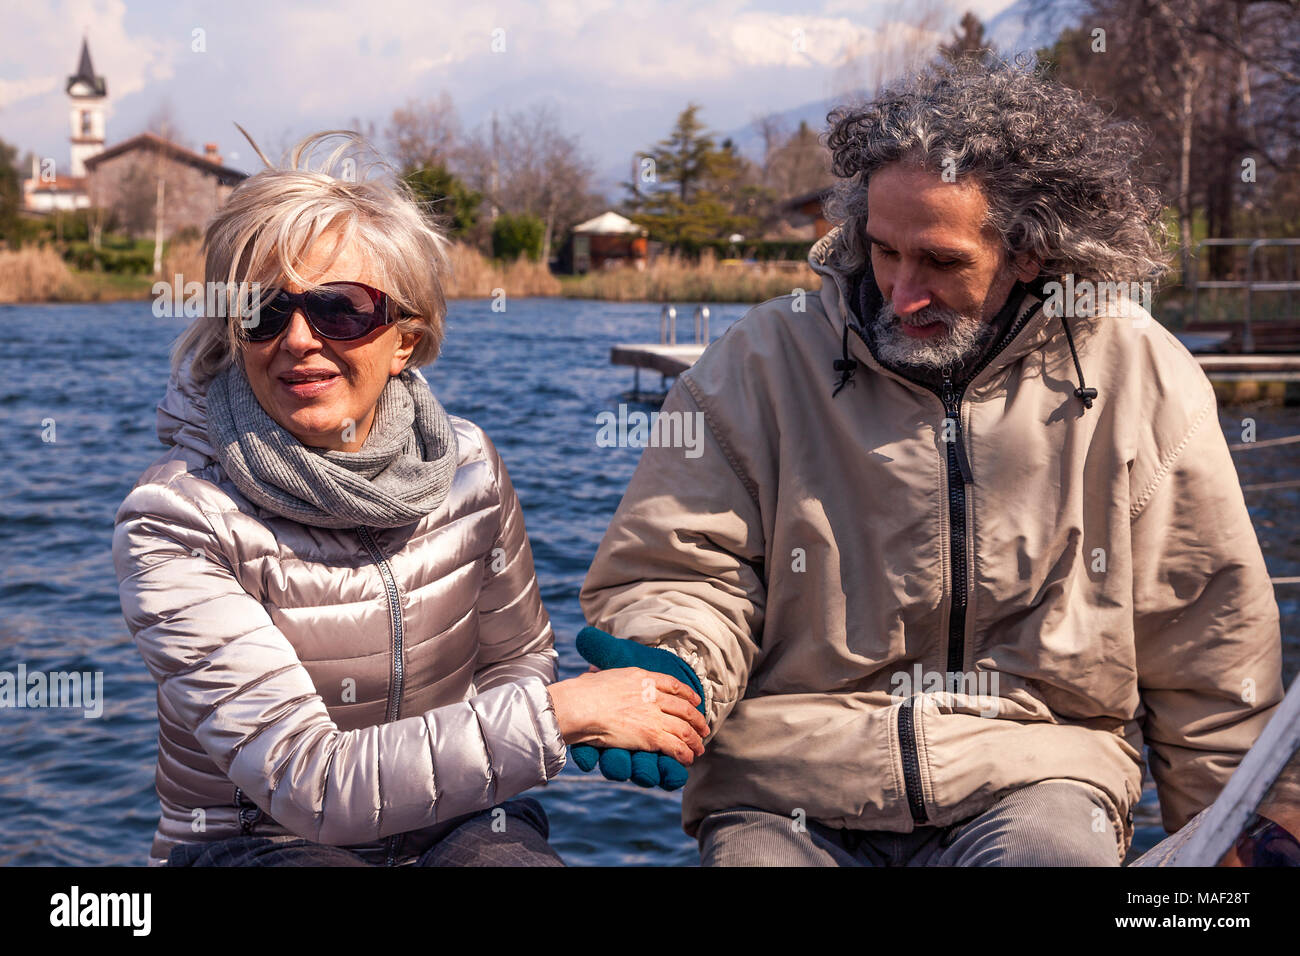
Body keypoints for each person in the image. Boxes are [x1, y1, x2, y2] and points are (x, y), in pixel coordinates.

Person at [576, 59, 1285, 866]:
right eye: (882, 252)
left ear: (1030, 250)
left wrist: (1242, 834)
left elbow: (1209, 637)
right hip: (785, 781)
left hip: (1041, 775)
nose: (901, 292)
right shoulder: (761, 359)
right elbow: (686, 566)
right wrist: (676, 661)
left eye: (941, 263)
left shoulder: (1140, 373)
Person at [113, 130, 706, 867]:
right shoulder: (177, 518)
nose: (297, 338)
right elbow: (309, 782)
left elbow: (516, 659)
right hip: (259, 843)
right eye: (261, 310)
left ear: (405, 338)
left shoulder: (468, 467)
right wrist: (569, 713)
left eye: (341, 308)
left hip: (463, 820)